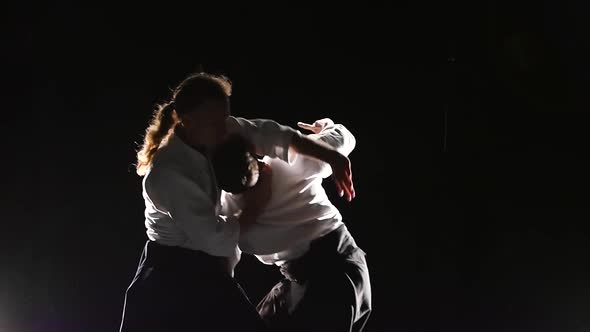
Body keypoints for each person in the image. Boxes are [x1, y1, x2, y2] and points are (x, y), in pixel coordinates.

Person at [119, 72, 356, 332]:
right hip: (174, 272)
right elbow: (212, 237)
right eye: (216, 122)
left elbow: (277, 136)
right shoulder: (169, 173)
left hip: (212, 265)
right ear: (186, 121)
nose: (226, 128)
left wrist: (332, 157)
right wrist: (256, 204)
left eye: (226, 117)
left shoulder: (219, 129)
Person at [213, 118, 371, 332]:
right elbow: (344, 138)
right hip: (303, 279)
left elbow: (343, 140)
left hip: (335, 270)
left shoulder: (227, 212)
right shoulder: (288, 164)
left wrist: (328, 132)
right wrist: (327, 127)